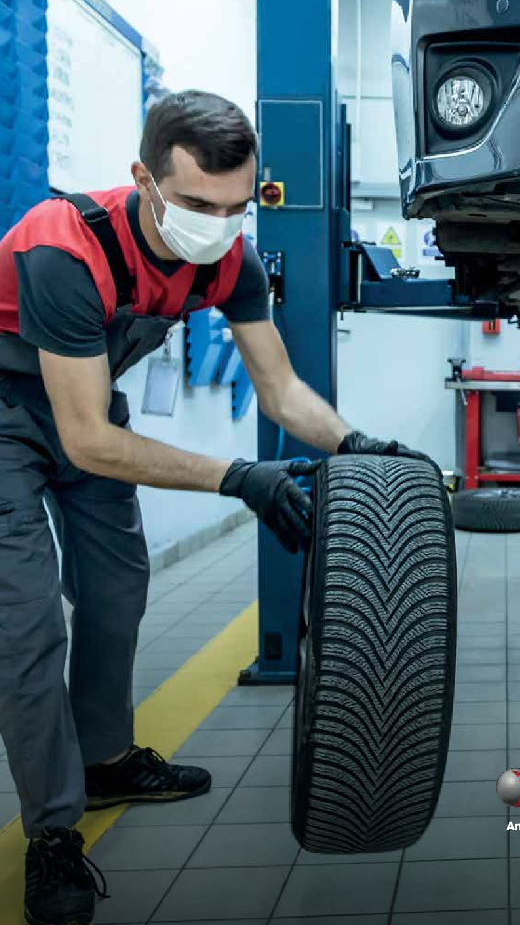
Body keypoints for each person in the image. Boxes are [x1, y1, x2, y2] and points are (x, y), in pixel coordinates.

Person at [0, 90, 427, 925]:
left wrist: (356, 443)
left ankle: (105, 762)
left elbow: (281, 389)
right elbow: (86, 441)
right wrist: (239, 478)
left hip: (87, 409)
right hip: (16, 420)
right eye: (198, 205)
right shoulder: (63, 249)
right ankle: (52, 832)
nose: (219, 225)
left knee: (116, 592)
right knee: (26, 627)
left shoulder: (231, 261)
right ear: (144, 180)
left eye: (237, 207)